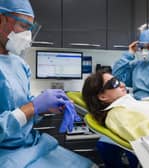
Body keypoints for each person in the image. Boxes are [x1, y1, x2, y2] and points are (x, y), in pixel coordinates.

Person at [0, 0, 96, 168]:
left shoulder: (19, 64)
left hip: (32, 145)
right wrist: (33, 107)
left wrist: (44, 108)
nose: (27, 36)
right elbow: (26, 110)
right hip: (7, 154)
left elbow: (25, 112)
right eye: (23, 25)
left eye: (31, 28)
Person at [82, 70, 149, 167]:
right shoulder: (117, 114)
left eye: (118, 80)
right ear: (102, 96)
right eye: (114, 83)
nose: (122, 84)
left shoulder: (126, 105)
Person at [112, 29, 149, 100]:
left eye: (148, 46)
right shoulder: (137, 65)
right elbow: (117, 77)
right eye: (142, 46)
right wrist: (129, 54)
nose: (144, 50)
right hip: (137, 103)